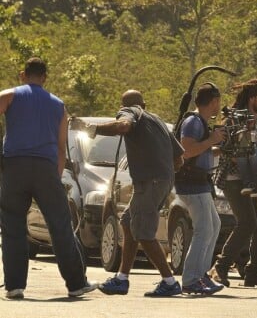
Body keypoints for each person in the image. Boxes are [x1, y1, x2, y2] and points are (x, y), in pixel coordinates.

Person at [0, 57, 97, 299]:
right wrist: (53, 178)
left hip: (14, 166)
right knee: (60, 225)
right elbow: (62, 148)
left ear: (23, 74)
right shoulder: (59, 105)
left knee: (13, 224)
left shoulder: (9, 95)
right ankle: (76, 283)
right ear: (44, 77)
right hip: (45, 167)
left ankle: (15, 286)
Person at [71, 90, 184, 297]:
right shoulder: (158, 121)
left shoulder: (130, 111)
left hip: (150, 181)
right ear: (145, 104)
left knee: (143, 233)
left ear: (123, 106)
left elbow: (123, 126)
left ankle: (169, 282)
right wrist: (162, 172)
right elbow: (179, 159)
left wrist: (90, 128)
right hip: (162, 181)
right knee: (127, 223)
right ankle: (122, 279)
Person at [211, 79, 257, 289]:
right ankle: (220, 268)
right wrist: (240, 156)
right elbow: (220, 149)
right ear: (251, 98)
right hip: (234, 180)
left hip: (252, 180)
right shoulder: (233, 119)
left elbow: (255, 149)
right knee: (248, 223)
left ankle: (254, 274)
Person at [174, 83, 226, 295]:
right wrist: (212, 140)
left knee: (214, 225)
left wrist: (219, 148)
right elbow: (187, 151)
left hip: (200, 183)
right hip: (192, 184)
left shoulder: (200, 123)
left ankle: (201, 275)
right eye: (218, 102)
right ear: (213, 102)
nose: (219, 107)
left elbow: (200, 151)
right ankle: (191, 279)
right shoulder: (193, 122)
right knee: (204, 229)